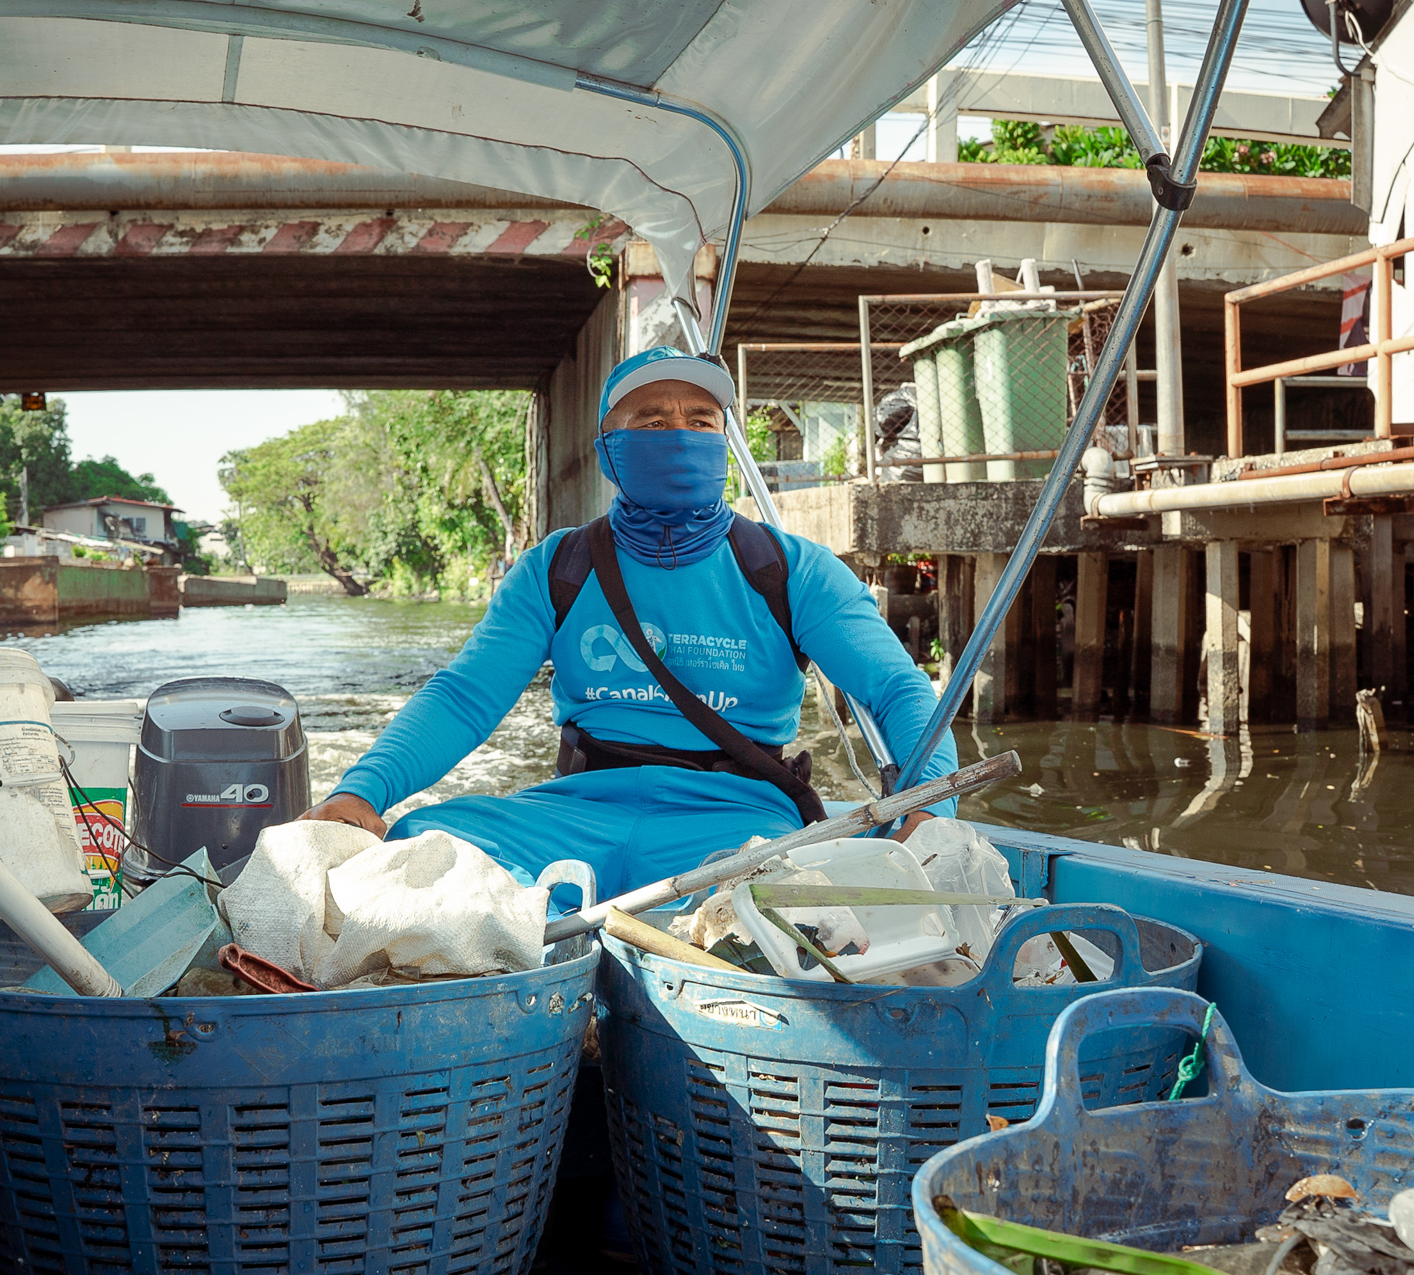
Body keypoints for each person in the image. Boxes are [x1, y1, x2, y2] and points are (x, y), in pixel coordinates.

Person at [300, 346, 956, 905]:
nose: (679, 433)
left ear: (724, 441)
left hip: (738, 818)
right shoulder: (556, 568)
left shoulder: (789, 569)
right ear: (609, 451)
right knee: (407, 855)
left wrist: (931, 808)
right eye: (652, 418)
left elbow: (896, 689)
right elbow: (466, 697)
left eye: (701, 420)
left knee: (784, 916)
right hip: (575, 810)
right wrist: (364, 791)